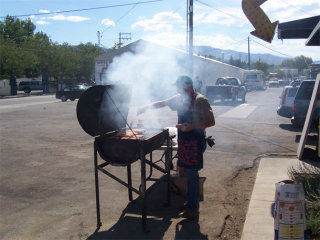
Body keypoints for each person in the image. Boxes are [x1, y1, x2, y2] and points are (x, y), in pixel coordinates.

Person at [137, 75, 215, 219]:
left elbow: (211, 122)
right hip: (185, 141)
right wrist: (145, 107)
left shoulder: (200, 100)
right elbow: (164, 103)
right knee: (188, 174)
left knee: (192, 176)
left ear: (187, 86)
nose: (177, 90)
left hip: (195, 142)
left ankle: (193, 210)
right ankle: (191, 204)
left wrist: (191, 127)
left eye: (179, 87)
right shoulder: (181, 98)